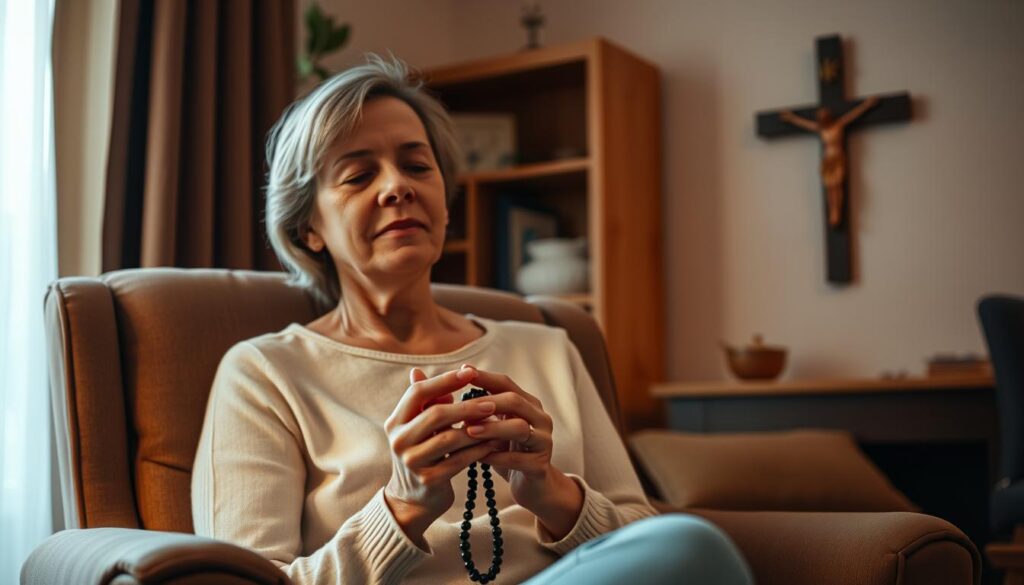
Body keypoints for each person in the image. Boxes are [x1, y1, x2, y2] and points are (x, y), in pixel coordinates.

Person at [191, 54, 753, 585]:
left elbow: (646, 539)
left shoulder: (549, 349)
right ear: (307, 228)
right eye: (359, 176)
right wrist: (402, 508)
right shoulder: (265, 374)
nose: (398, 187)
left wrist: (551, 491)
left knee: (690, 546)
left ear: (445, 200)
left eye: (416, 165)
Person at [779, 96, 879, 228]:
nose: (823, 119)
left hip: (838, 159)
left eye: (824, 116)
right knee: (829, 188)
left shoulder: (838, 125)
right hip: (827, 161)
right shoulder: (821, 129)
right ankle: (832, 212)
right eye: (820, 117)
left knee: (837, 186)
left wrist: (866, 105)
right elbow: (805, 124)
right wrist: (792, 118)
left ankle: (837, 211)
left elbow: (852, 115)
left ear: (829, 116)